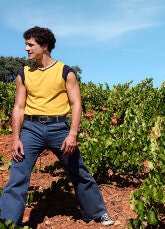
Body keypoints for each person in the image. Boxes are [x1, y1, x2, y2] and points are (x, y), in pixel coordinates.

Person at [0, 26, 114, 226]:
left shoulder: (65, 72)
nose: (26, 48)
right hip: (31, 129)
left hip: (59, 127)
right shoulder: (24, 74)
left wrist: (72, 134)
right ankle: (7, 222)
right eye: (26, 44)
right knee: (17, 175)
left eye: (30, 44)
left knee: (79, 171)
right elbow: (18, 107)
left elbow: (76, 104)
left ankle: (97, 213)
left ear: (44, 46)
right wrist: (16, 137)